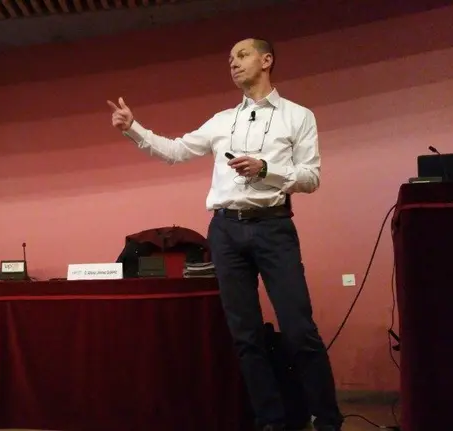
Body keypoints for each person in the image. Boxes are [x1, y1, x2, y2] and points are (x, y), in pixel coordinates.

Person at [107, 38, 344, 431]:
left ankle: (328, 421)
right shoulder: (221, 121)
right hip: (225, 232)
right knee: (245, 336)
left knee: (300, 330)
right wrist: (134, 129)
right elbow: (175, 150)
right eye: (230, 59)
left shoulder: (299, 117)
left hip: (273, 227)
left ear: (266, 61)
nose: (233, 63)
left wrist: (267, 168)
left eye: (242, 55)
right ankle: (272, 422)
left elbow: (311, 177)